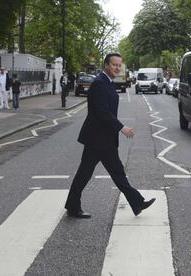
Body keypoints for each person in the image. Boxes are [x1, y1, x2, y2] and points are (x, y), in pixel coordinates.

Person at [64, 53, 156, 219]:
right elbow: (102, 112)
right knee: (85, 174)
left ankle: (137, 203)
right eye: (114, 64)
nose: (117, 68)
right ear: (106, 65)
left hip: (105, 140)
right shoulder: (100, 83)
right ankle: (72, 206)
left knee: (117, 173)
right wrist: (122, 128)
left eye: (119, 65)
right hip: (96, 139)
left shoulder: (107, 82)